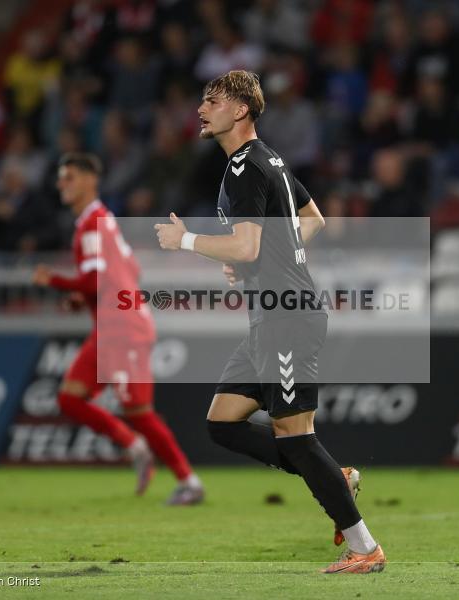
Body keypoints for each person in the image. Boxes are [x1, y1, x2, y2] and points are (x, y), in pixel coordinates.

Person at [155, 70, 385, 573]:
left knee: (296, 437)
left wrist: (188, 241)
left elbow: (247, 243)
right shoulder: (271, 160)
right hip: (269, 315)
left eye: (211, 101)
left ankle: (365, 547)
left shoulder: (244, 166)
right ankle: (334, 476)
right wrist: (259, 262)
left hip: (288, 317)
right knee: (222, 423)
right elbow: (313, 220)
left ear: (240, 110)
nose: (200, 109)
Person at [33, 152, 204, 505]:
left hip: (124, 328)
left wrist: (57, 281)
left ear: (90, 180)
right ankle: (133, 445)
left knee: (138, 411)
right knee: (69, 397)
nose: (62, 184)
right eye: (61, 178)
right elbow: (128, 271)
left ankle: (189, 482)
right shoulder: (101, 221)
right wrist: (85, 298)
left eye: (69, 177)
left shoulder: (94, 222)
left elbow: (97, 277)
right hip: (109, 329)